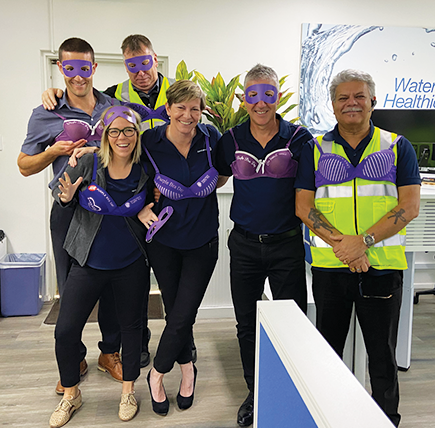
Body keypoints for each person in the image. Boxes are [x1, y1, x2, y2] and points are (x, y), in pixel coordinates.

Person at [41, 34, 188, 368]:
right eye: (131, 65)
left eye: (145, 62)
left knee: (162, 278)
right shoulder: (113, 96)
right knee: (120, 280)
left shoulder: (177, 92)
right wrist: (54, 93)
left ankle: (180, 346)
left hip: (164, 195)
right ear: (125, 65)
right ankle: (132, 348)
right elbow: (98, 116)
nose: (140, 71)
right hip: (116, 196)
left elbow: (193, 115)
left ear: (154, 59)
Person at [295, 69, 421, 427]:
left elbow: (409, 206)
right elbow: (304, 207)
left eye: (359, 97)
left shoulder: (398, 147)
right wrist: (345, 246)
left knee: (382, 356)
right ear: (333, 107)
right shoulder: (315, 148)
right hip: (331, 267)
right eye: (343, 98)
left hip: (382, 267)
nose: (351, 103)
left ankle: (385, 421)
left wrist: (362, 243)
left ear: (373, 102)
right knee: (328, 353)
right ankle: (328, 417)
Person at [17, 37, 124, 392]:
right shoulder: (45, 113)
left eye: (84, 68)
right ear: (61, 69)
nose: (78, 77)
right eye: (69, 69)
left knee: (110, 285)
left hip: (109, 210)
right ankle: (73, 356)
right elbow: (24, 166)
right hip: (68, 209)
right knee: (69, 288)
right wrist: (53, 152)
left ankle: (110, 353)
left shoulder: (113, 107)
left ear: (94, 68)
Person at [215, 64, 312, 427]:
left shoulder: (299, 139)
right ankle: (255, 394)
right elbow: (213, 175)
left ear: (279, 97)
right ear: (243, 98)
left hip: (286, 245)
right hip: (243, 245)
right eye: (253, 94)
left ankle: (291, 389)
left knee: (293, 323)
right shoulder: (231, 139)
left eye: (268, 94)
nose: (260, 102)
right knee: (246, 325)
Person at [49, 105, 154, 427]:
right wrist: (66, 198)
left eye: (129, 131)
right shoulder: (89, 161)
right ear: (105, 135)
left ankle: (128, 390)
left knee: (131, 329)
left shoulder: (146, 168)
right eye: (115, 131)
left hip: (131, 261)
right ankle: (71, 394)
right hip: (88, 259)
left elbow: (156, 196)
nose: (123, 137)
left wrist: (145, 212)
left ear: (137, 135)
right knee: (66, 331)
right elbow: (59, 192)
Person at [139, 80, 221, 416]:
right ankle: (188, 369)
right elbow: (130, 174)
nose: (188, 115)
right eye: (181, 107)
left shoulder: (211, 138)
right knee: (176, 312)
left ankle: (157, 374)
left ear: (201, 110)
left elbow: (227, 171)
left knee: (184, 311)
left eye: (195, 108)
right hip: (164, 242)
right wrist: (140, 206)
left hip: (203, 240)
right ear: (168, 109)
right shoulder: (150, 141)